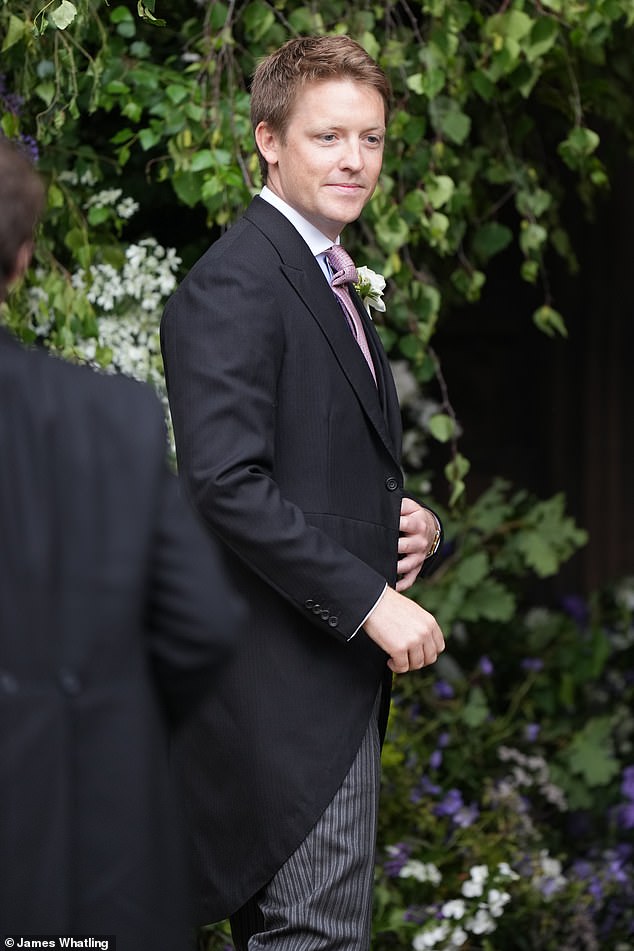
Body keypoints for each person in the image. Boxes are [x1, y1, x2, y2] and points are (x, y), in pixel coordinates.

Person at [161, 35, 445, 950]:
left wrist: (403, 527)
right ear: (269, 141)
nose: (355, 161)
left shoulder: (325, 273)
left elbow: (305, 468)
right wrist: (369, 602)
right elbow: (225, 483)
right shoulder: (239, 281)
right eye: (328, 138)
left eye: (370, 138)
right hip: (279, 702)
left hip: (319, 687)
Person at [0, 136, 245, 948]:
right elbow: (204, 622)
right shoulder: (112, 418)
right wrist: (102, 716)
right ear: (23, 260)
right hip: (89, 860)